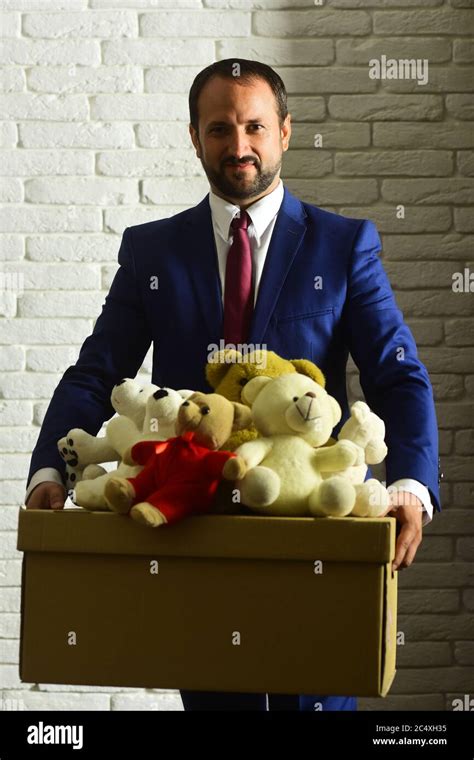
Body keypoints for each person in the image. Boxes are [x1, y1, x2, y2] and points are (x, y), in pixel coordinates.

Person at [25, 58, 441, 711]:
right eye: (220, 129)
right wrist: (49, 469)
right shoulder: (150, 252)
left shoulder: (343, 245)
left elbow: (397, 377)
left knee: (320, 700)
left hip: (314, 529)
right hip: (195, 532)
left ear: (285, 132)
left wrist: (410, 486)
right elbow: (97, 372)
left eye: (254, 127)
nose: (239, 146)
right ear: (195, 136)